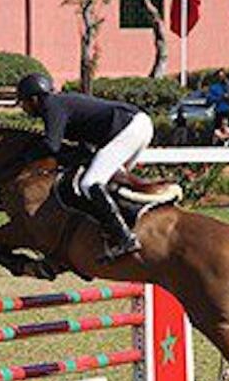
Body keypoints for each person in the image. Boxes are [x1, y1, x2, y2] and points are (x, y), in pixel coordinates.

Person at [15, 73, 152, 260]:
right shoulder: (60, 102)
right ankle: (130, 218)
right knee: (110, 180)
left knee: (89, 183)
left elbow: (51, 145)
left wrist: (24, 157)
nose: (23, 108)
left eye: (23, 102)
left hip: (129, 128)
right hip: (138, 124)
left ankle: (124, 238)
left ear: (34, 99)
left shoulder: (51, 105)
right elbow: (83, 146)